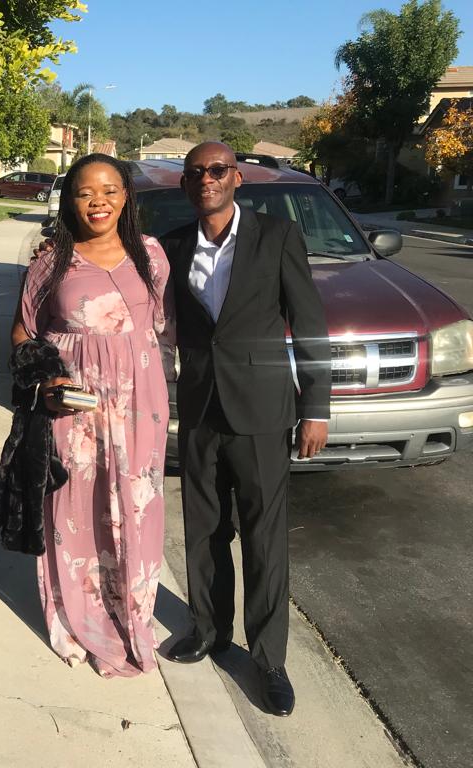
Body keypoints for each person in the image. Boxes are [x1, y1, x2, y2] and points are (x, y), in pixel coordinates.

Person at [162, 142, 330, 717]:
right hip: (200, 409)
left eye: (217, 170)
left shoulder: (276, 236)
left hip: (262, 411)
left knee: (264, 537)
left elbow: (308, 321)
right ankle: (208, 630)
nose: (206, 179)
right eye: (195, 173)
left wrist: (316, 408)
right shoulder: (172, 246)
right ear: (186, 184)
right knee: (203, 529)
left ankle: (269, 661)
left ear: (236, 178)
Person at [13, 153, 174, 678]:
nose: (97, 201)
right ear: (69, 200)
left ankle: (131, 617)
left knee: (135, 508)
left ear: (126, 196)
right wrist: (46, 381)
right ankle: (77, 617)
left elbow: (160, 330)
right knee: (74, 509)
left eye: (109, 190)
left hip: (139, 406)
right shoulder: (51, 261)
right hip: (73, 408)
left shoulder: (151, 255)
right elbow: (24, 332)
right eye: (85, 192)